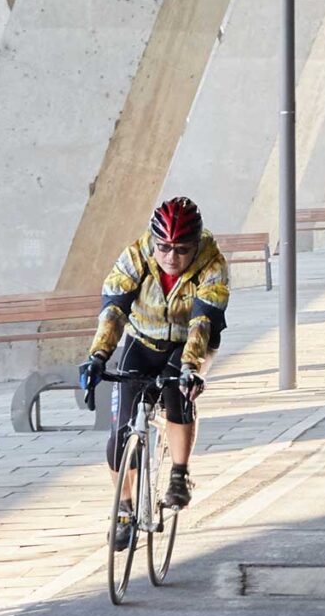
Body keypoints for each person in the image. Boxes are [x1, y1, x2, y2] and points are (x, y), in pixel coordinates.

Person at [78, 195, 229, 513]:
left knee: (178, 392)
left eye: (181, 249)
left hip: (188, 341)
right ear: (154, 241)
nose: (171, 257)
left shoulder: (213, 264)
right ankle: (124, 505)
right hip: (143, 338)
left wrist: (191, 367)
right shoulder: (135, 255)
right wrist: (98, 356)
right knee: (120, 436)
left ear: (195, 244)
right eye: (164, 247)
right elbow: (114, 311)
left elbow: (202, 323)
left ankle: (179, 474)